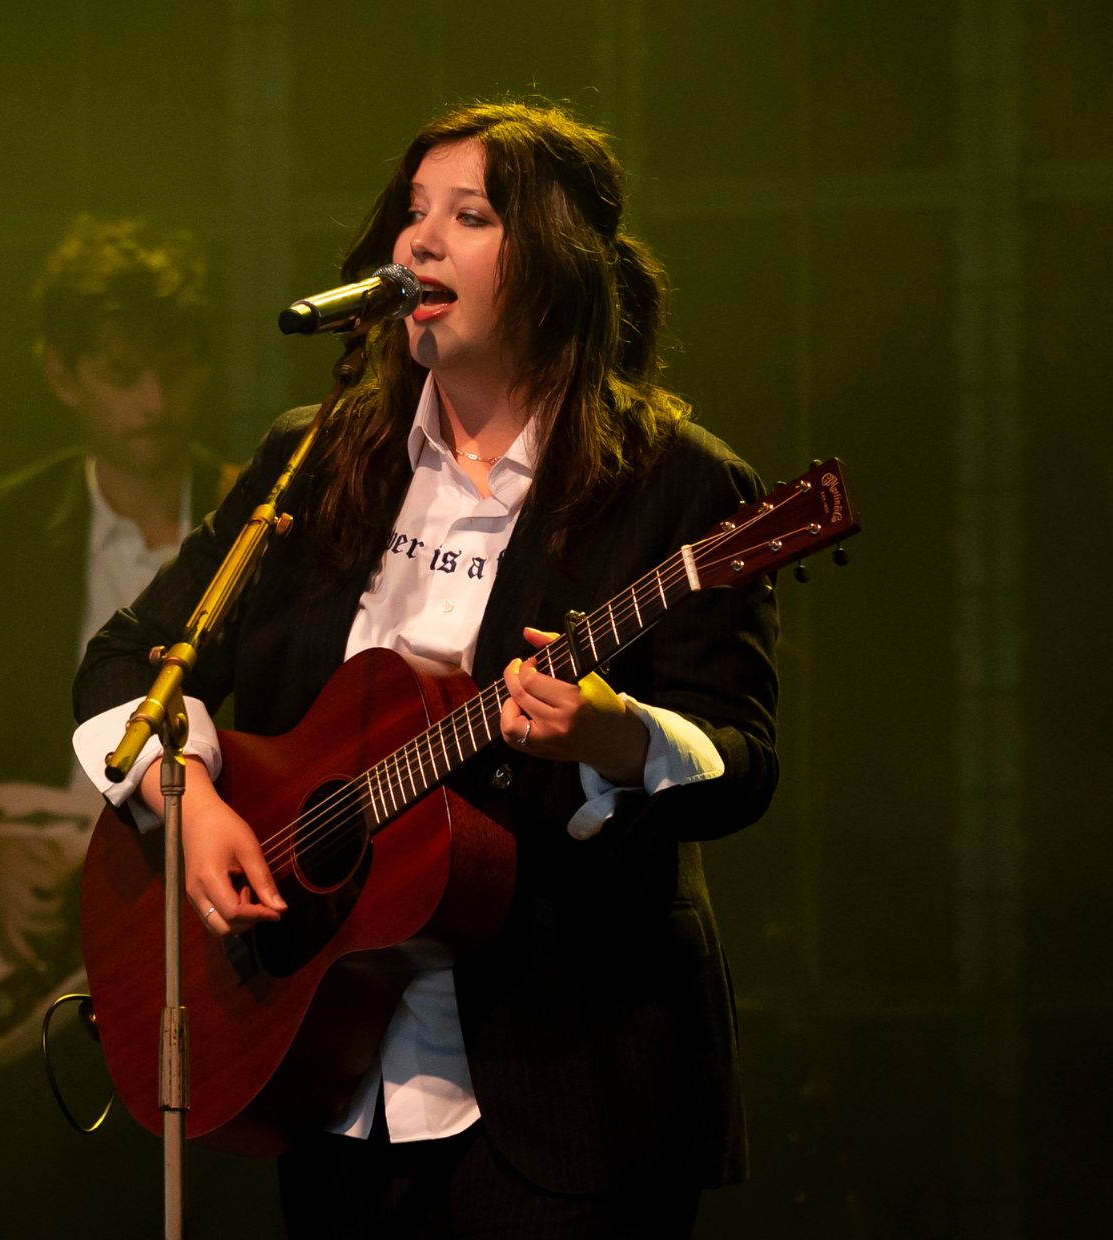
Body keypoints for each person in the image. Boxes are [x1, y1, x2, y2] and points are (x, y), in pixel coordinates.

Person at [72, 101, 781, 1237]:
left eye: (467, 215)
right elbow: (125, 662)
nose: (418, 242)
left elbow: (742, 762)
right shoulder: (321, 456)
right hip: (323, 1076)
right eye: (411, 214)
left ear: (551, 261)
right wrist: (190, 797)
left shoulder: (676, 485)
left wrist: (612, 737)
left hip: (571, 1092)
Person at [0, 215, 279, 1238]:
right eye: (121, 371)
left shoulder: (258, 524)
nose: (151, 400)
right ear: (60, 374)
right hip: (43, 1012)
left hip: (221, 982)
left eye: (172, 368)